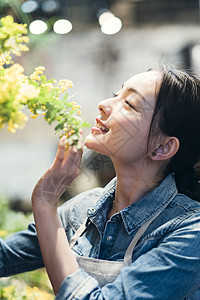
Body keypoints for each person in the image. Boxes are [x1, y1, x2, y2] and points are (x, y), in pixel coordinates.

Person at [1, 65, 200, 299]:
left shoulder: (189, 232)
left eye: (129, 104)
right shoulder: (81, 209)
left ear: (162, 147)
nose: (104, 104)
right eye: (117, 94)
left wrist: (45, 205)